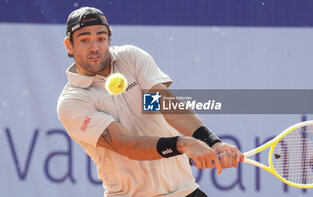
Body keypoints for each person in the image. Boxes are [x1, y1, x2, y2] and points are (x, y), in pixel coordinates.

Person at [57, 6, 242, 197]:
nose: (95, 46)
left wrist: (211, 142)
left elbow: (164, 103)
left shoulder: (129, 58)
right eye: (84, 40)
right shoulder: (73, 102)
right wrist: (183, 143)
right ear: (69, 45)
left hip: (187, 192)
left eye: (101, 38)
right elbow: (127, 145)